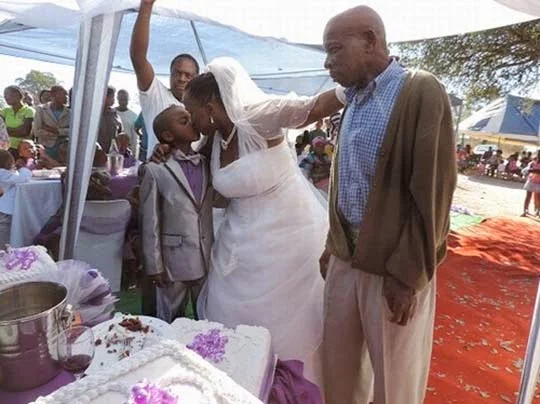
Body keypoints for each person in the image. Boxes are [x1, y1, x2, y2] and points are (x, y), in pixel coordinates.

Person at [155, 57, 343, 387]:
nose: (191, 120)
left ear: (209, 107)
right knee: (228, 314)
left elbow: (313, 108)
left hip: (289, 238)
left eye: (192, 111)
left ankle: (289, 386)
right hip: (238, 242)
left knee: (289, 323)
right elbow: (190, 168)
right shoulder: (213, 139)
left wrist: (354, 86)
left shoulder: (259, 118)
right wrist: (164, 150)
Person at [319, 7, 456, 404]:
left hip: (393, 267)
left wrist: (408, 275)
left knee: (394, 383)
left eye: (335, 50)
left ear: (370, 40)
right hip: (346, 259)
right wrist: (332, 243)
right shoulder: (354, 99)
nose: (327, 63)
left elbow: (434, 190)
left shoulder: (420, 91)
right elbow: (350, 179)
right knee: (339, 372)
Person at [140, 105, 213, 322]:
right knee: (169, 316)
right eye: (184, 121)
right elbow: (150, 221)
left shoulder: (207, 163)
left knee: (206, 314)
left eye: (191, 117)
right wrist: (154, 265)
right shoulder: (156, 169)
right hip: (173, 260)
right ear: (168, 135)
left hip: (206, 253)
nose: (192, 122)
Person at [130, 0, 200, 154]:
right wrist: (146, 6)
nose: (182, 79)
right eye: (177, 73)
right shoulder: (155, 95)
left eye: (188, 75)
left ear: (197, 79)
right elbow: (138, 57)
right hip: (159, 168)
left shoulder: (202, 109)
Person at [0, 150, 32, 249]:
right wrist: (23, 168)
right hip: (5, 210)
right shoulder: (2, 173)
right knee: (4, 235)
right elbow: (22, 178)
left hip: (3, 209)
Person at [34, 85, 70, 159]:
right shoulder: (41, 109)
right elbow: (37, 131)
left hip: (63, 148)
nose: (66, 97)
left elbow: (72, 131)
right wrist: (59, 134)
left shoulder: (69, 112)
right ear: (53, 95)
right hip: (45, 148)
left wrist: (56, 130)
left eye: (67, 95)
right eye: (64, 94)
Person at [1, 86, 34, 154]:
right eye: (4, 95)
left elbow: (24, 132)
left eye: (8, 94)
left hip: (23, 150)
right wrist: (16, 130)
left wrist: (5, 130)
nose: (5, 97)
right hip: (5, 148)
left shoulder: (29, 111)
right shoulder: (5, 111)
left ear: (18, 95)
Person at [116, 89, 140, 159]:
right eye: (121, 99)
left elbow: (134, 138)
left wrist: (133, 155)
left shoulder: (133, 116)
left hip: (127, 152)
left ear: (128, 99)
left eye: (125, 99)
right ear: (117, 99)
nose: (123, 102)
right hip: (114, 150)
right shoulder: (112, 114)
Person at [98, 86, 123, 153]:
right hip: (98, 153)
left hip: (113, 153)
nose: (114, 100)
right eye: (112, 97)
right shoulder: (95, 115)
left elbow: (120, 132)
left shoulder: (115, 114)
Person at [521, 150, 540, 217]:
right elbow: (527, 170)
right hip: (531, 181)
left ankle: (537, 210)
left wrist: (532, 170)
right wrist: (531, 170)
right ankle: (525, 210)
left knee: (538, 197)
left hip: (538, 182)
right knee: (528, 196)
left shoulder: (533, 163)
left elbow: (534, 171)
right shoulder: (532, 163)